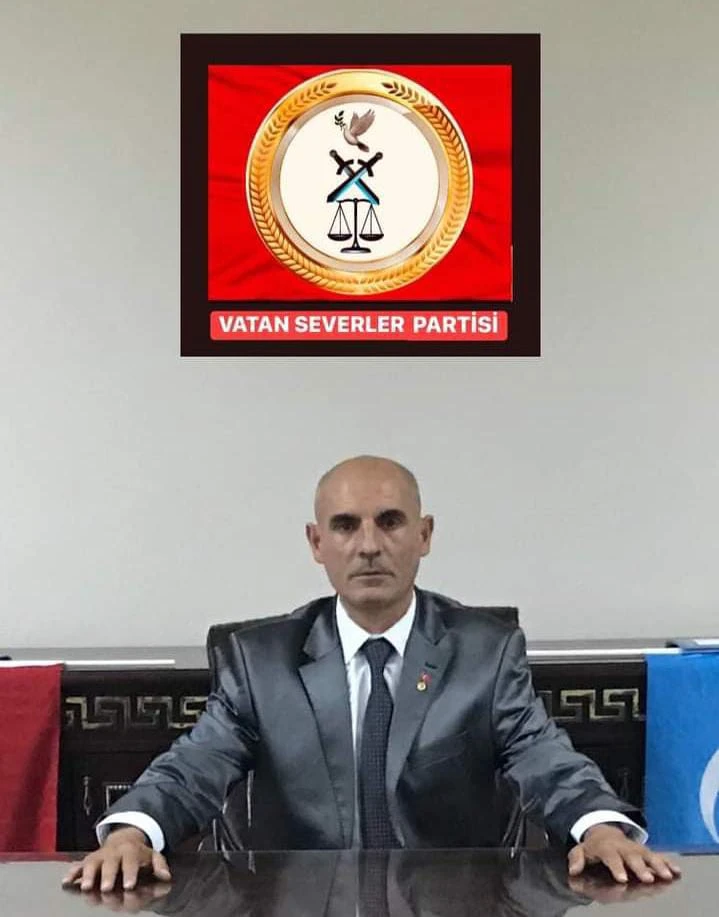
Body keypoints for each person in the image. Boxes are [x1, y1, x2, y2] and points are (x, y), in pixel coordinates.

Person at [63, 456, 680, 893]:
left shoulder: (484, 652)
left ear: (424, 534)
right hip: (300, 903)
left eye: (390, 521)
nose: (368, 545)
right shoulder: (262, 661)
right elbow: (196, 765)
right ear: (316, 543)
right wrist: (132, 833)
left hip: (453, 904)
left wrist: (600, 826)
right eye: (345, 525)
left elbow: (543, 756)